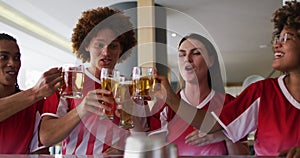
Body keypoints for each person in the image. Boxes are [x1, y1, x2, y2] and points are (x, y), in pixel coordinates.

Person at [155, 1, 300, 157]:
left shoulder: (227, 100)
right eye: (182, 54)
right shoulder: (262, 91)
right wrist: (169, 98)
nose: (277, 44)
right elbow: (211, 124)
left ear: (210, 60)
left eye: (286, 38)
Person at [39, 7, 148, 155]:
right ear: (86, 45)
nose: (106, 52)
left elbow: (145, 140)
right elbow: (46, 138)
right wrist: (81, 109)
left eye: (113, 46)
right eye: (99, 44)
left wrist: (126, 150)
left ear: (121, 50)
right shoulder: (67, 80)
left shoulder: (132, 87)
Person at [149, 33, 249, 156]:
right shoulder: (163, 107)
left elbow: (243, 155)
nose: (187, 59)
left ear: (210, 60)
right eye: (182, 54)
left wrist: (225, 135)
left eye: (196, 53)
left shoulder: (230, 104)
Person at [0, 33, 62, 154]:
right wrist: (35, 92)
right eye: (4, 57)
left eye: (17, 58)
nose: (12, 64)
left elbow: (41, 151)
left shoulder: (35, 106)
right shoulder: (33, 96)